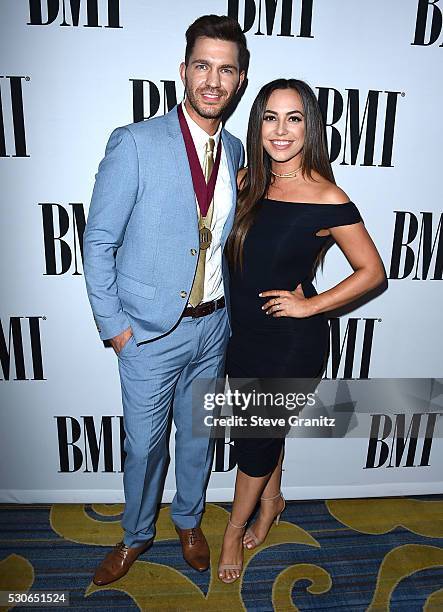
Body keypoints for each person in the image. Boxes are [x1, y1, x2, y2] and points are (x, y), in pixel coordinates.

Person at [83, 14, 248, 585]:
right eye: (203, 65)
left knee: (198, 437)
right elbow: (99, 241)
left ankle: (188, 520)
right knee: (143, 449)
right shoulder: (135, 142)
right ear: (183, 71)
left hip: (213, 329)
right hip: (149, 334)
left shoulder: (235, 149)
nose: (213, 80)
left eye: (226, 70)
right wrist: (116, 329)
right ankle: (135, 535)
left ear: (240, 81)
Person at [217, 79, 386, 583]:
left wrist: (310, 306)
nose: (281, 130)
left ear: (309, 125)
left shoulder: (326, 195)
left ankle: (233, 529)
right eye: (270, 117)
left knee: (254, 438)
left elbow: (372, 272)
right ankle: (273, 501)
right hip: (241, 335)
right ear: (258, 125)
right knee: (261, 435)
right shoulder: (246, 180)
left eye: (294, 118)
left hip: (291, 344)